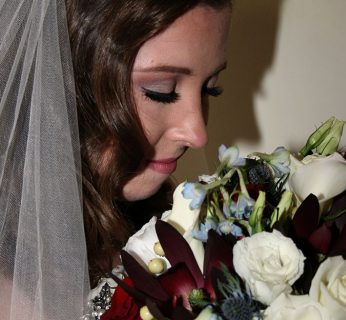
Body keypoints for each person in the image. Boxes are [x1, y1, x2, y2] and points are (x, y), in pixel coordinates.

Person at [0, 0, 232, 319]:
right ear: (62, 76)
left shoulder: (177, 233)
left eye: (210, 89)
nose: (197, 133)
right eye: (160, 90)